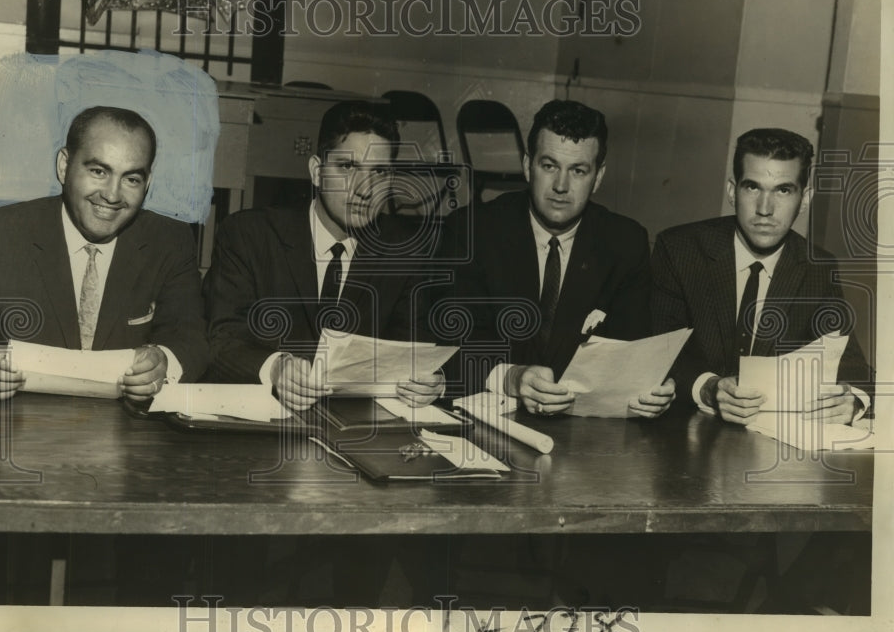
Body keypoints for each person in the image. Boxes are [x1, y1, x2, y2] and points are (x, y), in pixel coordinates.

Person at [0, 106, 209, 404]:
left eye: (131, 179)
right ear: (64, 166)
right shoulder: (0, 232)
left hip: (129, 433)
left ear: (147, 184)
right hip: (18, 428)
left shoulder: (169, 241)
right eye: (98, 171)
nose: (112, 195)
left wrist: (163, 362)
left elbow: (191, 339)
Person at [203, 99, 443, 411]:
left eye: (380, 171)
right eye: (347, 167)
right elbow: (220, 338)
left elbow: (413, 349)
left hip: (353, 428)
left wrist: (428, 382)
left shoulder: (405, 251)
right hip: (257, 423)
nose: (365, 189)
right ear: (317, 172)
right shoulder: (250, 235)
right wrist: (275, 368)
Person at [440, 99, 673, 418]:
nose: (561, 186)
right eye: (549, 166)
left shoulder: (625, 242)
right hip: (486, 416)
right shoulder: (472, 231)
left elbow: (629, 353)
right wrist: (512, 378)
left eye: (578, 170)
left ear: (598, 177)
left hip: (583, 430)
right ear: (526, 166)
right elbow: (448, 346)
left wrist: (649, 388)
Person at [651, 127, 872, 423]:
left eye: (783, 190)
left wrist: (853, 401)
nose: (765, 209)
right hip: (680, 436)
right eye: (752, 187)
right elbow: (655, 350)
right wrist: (707, 388)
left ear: (804, 199)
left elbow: (854, 369)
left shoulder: (817, 268)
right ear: (732, 192)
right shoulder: (680, 250)